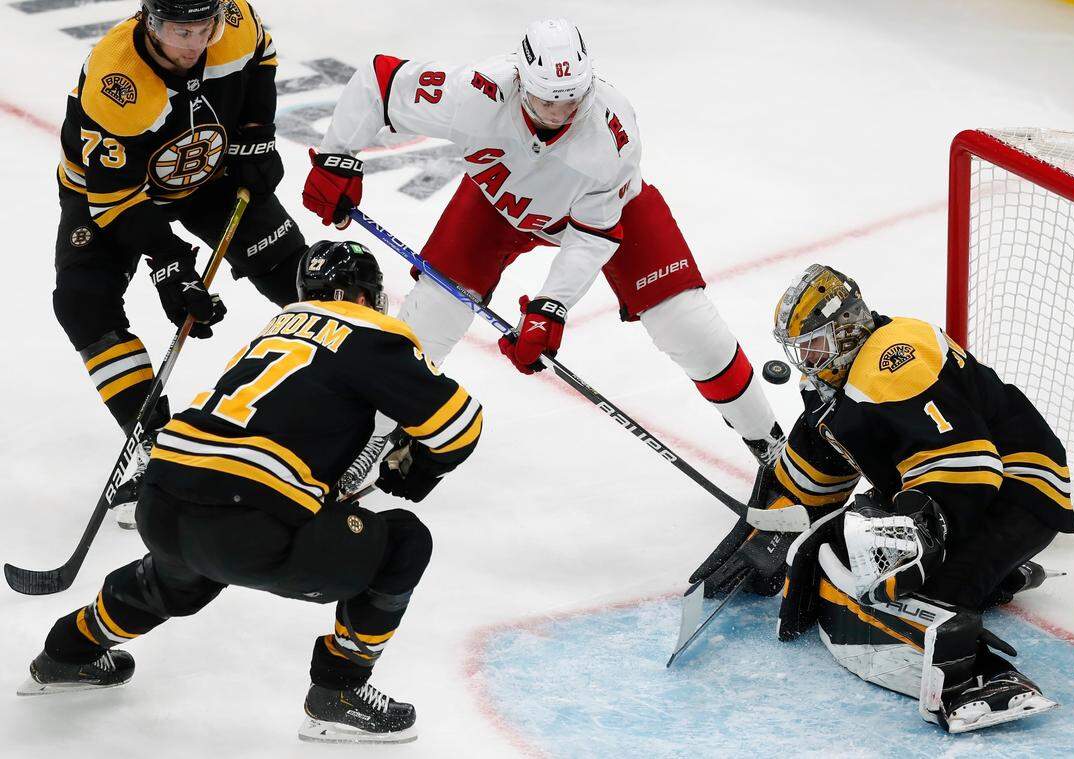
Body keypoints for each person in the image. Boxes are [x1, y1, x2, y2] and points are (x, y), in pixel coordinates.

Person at [19, 241, 483, 744]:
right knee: (404, 540)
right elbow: (459, 426)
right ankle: (340, 691)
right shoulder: (371, 334)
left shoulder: (276, 328)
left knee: (185, 570)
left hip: (163, 497)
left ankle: (69, 650)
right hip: (250, 525)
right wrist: (416, 472)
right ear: (360, 295)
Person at [301, 17, 785, 491]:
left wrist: (550, 308)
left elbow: (592, 235)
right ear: (520, 80)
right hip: (496, 205)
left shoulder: (611, 136)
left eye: (571, 99)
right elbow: (378, 81)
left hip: (611, 215)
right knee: (426, 321)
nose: (559, 113)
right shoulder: (475, 93)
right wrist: (335, 156)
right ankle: (372, 437)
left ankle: (771, 448)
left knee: (689, 325)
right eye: (546, 100)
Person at [709, 264, 1073, 733]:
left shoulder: (892, 357)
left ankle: (981, 680)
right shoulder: (833, 380)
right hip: (960, 492)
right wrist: (767, 531)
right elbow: (817, 466)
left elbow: (968, 460)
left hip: (1018, 489)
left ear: (845, 330)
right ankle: (994, 573)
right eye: (798, 348)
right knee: (856, 563)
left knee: (912, 598)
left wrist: (922, 529)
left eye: (814, 343)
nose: (805, 357)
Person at [54, 0, 308, 527]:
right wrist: (169, 262)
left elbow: (263, 56)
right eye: (180, 30)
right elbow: (116, 199)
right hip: (116, 193)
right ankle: (155, 446)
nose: (195, 43)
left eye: (205, 28)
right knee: (83, 305)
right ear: (150, 22)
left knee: (296, 275)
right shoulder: (116, 81)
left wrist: (258, 132)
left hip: (209, 173)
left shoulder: (235, 23)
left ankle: (369, 403)